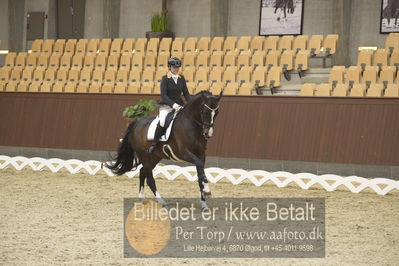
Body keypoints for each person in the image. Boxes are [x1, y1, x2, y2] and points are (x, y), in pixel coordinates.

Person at [148, 57, 191, 154]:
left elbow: (186, 93)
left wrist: (190, 103)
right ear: (169, 67)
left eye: (177, 67)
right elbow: (164, 95)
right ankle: (154, 144)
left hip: (179, 105)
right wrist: (173, 105)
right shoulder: (165, 79)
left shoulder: (181, 78)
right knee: (162, 121)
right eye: (174, 67)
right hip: (166, 106)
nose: (176, 69)